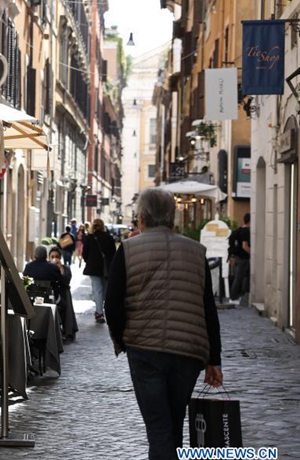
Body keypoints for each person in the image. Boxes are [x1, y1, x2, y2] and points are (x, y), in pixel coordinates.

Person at [104, 188, 223, 459]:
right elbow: (208, 309)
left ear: (142, 218)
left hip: (145, 350)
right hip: (188, 352)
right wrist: (213, 359)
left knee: (159, 428)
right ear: (172, 218)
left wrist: (123, 339)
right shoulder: (196, 251)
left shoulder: (129, 250)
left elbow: (112, 305)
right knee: (173, 422)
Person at [82, 218, 116, 323]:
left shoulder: (89, 238)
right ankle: (100, 309)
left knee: (98, 289)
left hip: (93, 268)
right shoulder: (109, 238)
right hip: (106, 268)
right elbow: (113, 253)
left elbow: (85, 253)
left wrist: (89, 261)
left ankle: (100, 312)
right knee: (104, 290)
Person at [228, 213, 251, 306]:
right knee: (239, 278)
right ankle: (233, 297)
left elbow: (232, 243)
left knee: (240, 277)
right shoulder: (246, 231)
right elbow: (245, 246)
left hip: (236, 257)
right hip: (243, 258)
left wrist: (232, 256)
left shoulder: (238, 230)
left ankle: (240, 295)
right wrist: (252, 253)